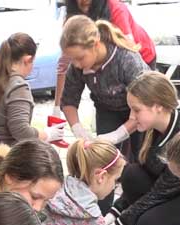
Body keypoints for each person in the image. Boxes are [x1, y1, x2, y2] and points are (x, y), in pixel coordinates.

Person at [102, 71, 180, 225]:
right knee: (131, 174)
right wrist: (111, 216)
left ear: (158, 106)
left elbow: (159, 192)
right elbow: (146, 179)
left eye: (136, 110)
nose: (131, 116)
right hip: (170, 192)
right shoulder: (152, 128)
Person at [60, 15, 148, 201]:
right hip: (106, 109)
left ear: (95, 44)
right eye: (72, 59)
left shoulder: (127, 60)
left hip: (139, 110)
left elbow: (146, 104)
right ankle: (102, 206)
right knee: (102, 162)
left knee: (142, 160)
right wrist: (78, 129)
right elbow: (68, 101)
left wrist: (118, 134)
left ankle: (138, 202)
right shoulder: (78, 66)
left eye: (79, 58)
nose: (76, 64)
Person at [54, 0, 156, 114]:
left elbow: (129, 47)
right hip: (98, 59)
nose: (76, 64)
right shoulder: (72, 14)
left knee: (140, 106)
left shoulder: (116, 9)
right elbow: (67, 57)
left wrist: (129, 122)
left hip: (141, 54)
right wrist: (57, 107)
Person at [0, 33, 67, 146]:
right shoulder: (18, 87)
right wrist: (48, 134)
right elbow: (21, 131)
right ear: (27, 59)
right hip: (6, 153)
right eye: (33, 62)